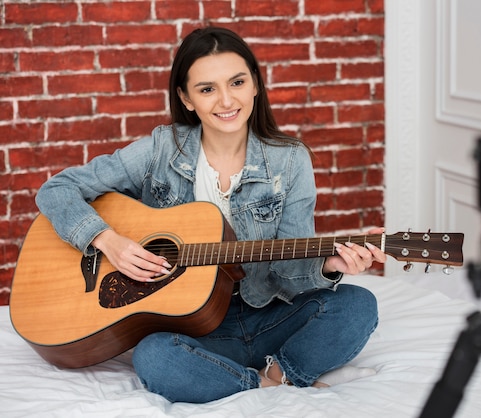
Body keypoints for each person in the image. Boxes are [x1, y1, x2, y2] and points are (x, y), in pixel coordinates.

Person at [35, 26, 386, 403]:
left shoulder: (289, 159)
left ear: (254, 84)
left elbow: (288, 277)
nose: (226, 100)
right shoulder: (160, 149)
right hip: (192, 328)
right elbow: (56, 190)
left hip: (266, 316)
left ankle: (277, 371)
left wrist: (329, 264)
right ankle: (266, 388)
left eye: (236, 82)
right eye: (207, 89)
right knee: (155, 357)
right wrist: (108, 241)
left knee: (356, 306)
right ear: (186, 98)